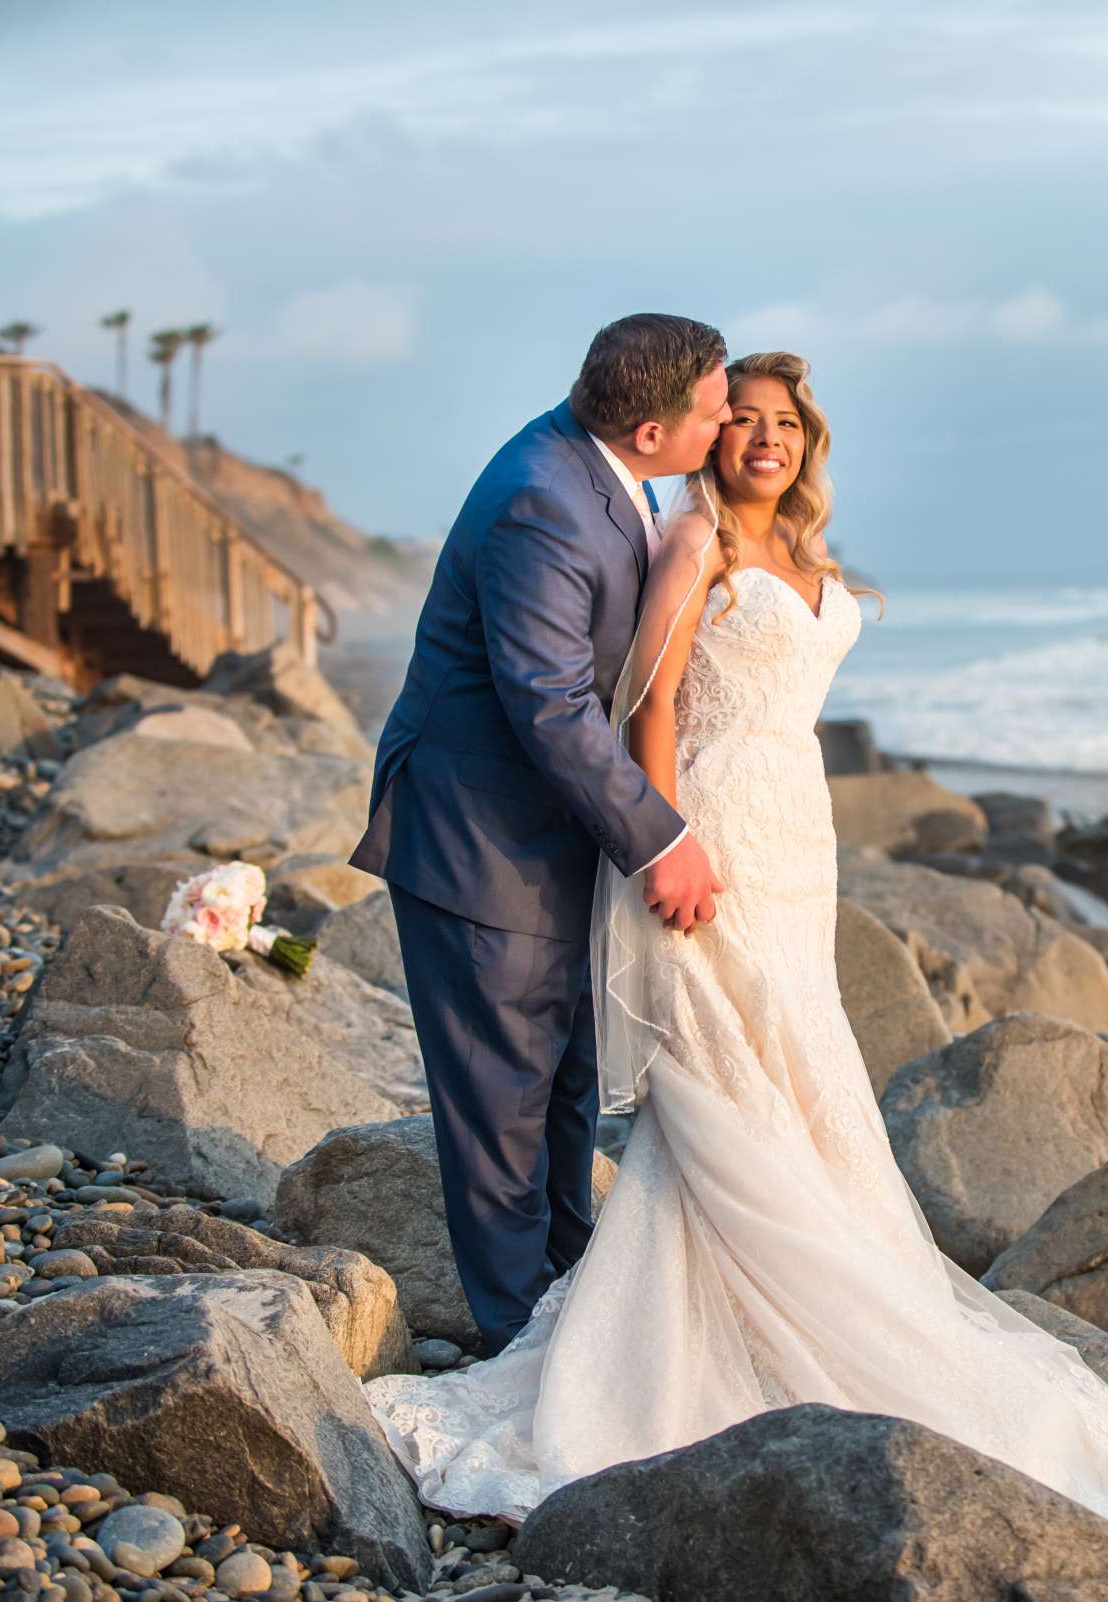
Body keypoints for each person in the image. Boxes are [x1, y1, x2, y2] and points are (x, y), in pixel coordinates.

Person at [363, 351, 1108, 1597]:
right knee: (722, 1092)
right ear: (704, 435)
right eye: (743, 420)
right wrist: (666, 844)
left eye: (784, 422)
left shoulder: (808, 557)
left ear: (808, 439)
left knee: (803, 1081)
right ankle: (609, 1351)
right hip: (713, 841)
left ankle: (645, 1310)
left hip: (797, 846)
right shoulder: (692, 545)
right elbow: (646, 711)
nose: (763, 438)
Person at [348, 314, 732, 1354]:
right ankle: (515, 1348)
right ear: (648, 430)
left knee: (562, 1085)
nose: (727, 419)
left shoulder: (605, 467)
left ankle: (572, 1308)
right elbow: (551, 706)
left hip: (541, 836)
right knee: (502, 1111)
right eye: (710, 409)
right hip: (481, 844)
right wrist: (659, 839)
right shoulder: (543, 502)